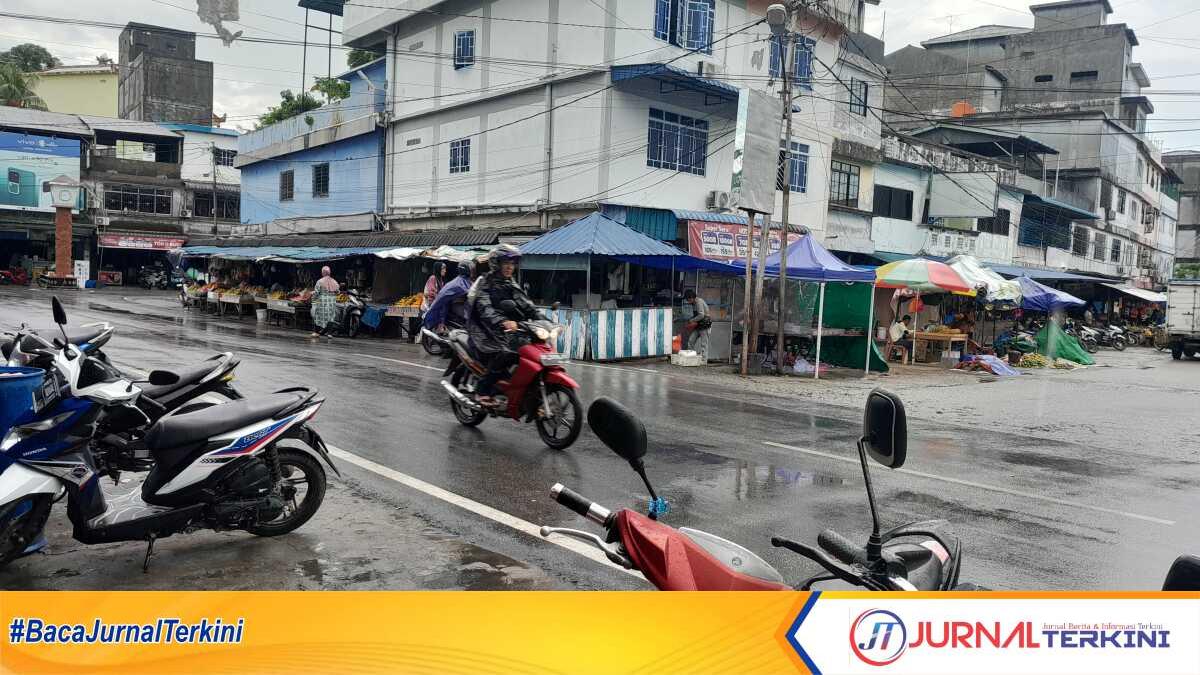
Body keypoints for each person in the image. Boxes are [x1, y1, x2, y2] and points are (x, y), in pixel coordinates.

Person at [467, 245, 545, 405]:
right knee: (506, 352)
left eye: (513, 263)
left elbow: (526, 305)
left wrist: (545, 321)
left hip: (509, 330)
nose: (510, 267)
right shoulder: (485, 282)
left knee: (532, 349)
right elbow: (485, 308)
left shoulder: (510, 283)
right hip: (485, 330)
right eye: (506, 263)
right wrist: (502, 321)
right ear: (497, 263)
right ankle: (482, 390)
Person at [423, 262, 476, 332]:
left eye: (445, 269)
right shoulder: (433, 278)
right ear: (438, 269)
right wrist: (441, 296)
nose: (445, 270)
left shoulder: (442, 279)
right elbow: (431, 292)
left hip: (439, 300)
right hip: (431, 303)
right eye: (443, 269)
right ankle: (439, 327)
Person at [310, 266, 340, 339]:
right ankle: (329, 334)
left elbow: (317, 292)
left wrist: (313, 299)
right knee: (331, 317)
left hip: (322, 301)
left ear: (323, 272)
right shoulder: (334, 281)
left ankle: (316, 332)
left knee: (318, 315)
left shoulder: (320, 281)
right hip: (332, 301)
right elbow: (338, 292)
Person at [682, 289, 712, 361]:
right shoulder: (694, 303)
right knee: (691, 341)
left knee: (704, 344)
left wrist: (692, 320)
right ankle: (690, 358)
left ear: (691, 298)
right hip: (698, 326)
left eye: (688, 299)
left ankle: (704, 361)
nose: (688, 301)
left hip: (705, 326)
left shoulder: (699, 302)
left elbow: (701, 315)